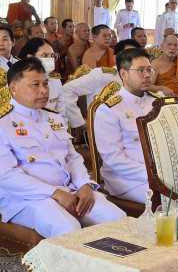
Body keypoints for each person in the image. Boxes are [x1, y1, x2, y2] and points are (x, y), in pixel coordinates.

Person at [0, 57, 125, 238]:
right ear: (14, 88)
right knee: (69, 230)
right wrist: (54, 193)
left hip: (68, 190)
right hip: (26, 200)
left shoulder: (53, 117)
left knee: (117, 218)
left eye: (45, 84)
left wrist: (84, 184)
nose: (44, 90)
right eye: (35, 85)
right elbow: (6, 176)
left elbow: (71, 157)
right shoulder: (3, 123)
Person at [94, 48, 160, 203]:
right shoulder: (109, 110)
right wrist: (153, 174)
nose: (147, 75)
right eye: (140, 70)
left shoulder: (156, 102)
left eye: (149, 70)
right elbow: (114, 158)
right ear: (123, 74)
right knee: (172, 201)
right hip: (127, 180)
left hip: (160, 174)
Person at [63, 39, 142, 130]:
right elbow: (67, 90)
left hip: (133, 127)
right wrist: (79, 122)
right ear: (115, 58)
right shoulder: (103, 75)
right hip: (105, 130)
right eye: (129, 55)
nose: (133, 60)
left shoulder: (141, 77)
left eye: (137, 56)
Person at [19, 37, 67, 123]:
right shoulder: (18, 81)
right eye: (45, 55)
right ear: (30, 58)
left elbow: (61, 115)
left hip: (52, 130)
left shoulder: (55, 82)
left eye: (52, 55)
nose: (50, 59)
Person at [151, 34, 178, 99]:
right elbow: (148, 86)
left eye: (175, 45)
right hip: (164, 100)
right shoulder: (156, 64)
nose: (172, 48)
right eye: (169, 44)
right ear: (162, 46)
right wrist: (162, 88)